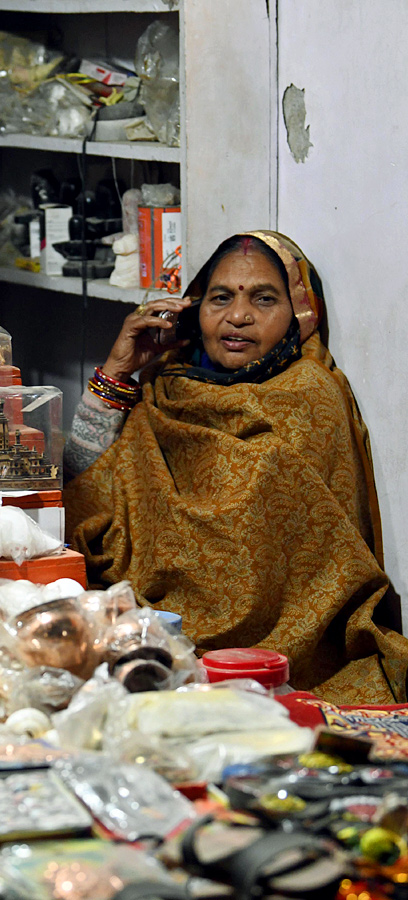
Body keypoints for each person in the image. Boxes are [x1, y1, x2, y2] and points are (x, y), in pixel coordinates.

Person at [64, 231, 408, 704]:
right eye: (220, 298)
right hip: (153, 633)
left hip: (283, 655)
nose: (238, 316)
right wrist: (118, 371)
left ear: (299, 316)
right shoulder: (167, 388)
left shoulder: (308, 400)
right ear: (193, 311)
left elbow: (317, 567)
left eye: (264, 299)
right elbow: (80, 485)